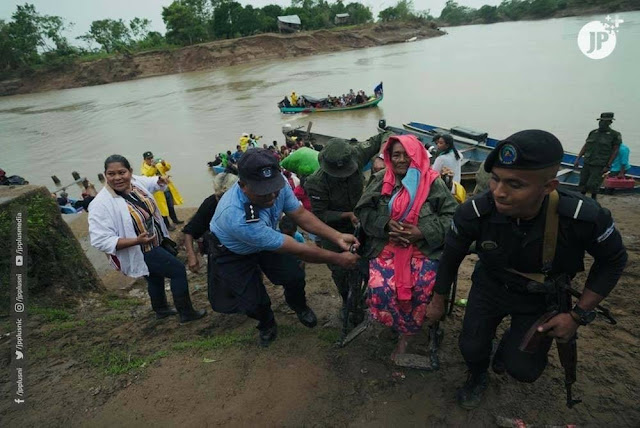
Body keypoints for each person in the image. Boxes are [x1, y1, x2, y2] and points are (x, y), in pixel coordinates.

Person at [426, 130, 627, 409]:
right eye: (496, 178)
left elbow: (613, 260)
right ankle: (477, 375)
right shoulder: (475, 212)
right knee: (471, 347)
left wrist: (577, 315)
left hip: (541, 296)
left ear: (548, 186)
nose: (499, 191)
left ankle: (510, 345)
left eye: (515, 184)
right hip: (491, 286)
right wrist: (437, 299)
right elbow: (451, 256)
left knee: (524, 370)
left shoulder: (583, 217)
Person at [208, 149, 360, 347]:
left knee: (294, 277)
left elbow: (300, 214)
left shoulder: (278, 183)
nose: (272, 195)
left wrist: (337, 236)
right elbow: (298, 249)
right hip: (233, 251)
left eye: (274, 187)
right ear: (242, 185)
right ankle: (267, 324)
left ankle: (299, 306)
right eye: (263, 190)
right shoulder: (237, 216)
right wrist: (338, 258)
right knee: (253, 301)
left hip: (267, 235)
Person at [355, 135, 458, 359]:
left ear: (416, 155)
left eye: (407, 155)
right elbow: (363, 211)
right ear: (389, 157)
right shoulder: (380, 179)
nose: (401, 160)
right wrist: (384, 224)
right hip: (386, 245)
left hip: (423, 248)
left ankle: (407, 335)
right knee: (381, 288)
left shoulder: (433, 182)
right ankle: (395, 322)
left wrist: (421, 232)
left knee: (420, 287)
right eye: (396, 155)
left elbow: (451, 216)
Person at [89, 155, 207, 323]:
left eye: (122, 172)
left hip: (156, 241)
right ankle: (186, 313)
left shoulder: (135, 184)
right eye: (111, 174)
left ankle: (161, 309)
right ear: (105, 175)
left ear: (130, 172)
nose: (117, 178)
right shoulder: (101, 204)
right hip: (141, 249)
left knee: (154, 276)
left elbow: (150, 182)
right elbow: (100, 240)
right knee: (178, 271)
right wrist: (136, 241)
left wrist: (159, 180)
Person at [305, 131, 392, 317]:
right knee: (340, 271)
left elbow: (386, 135)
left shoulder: (357, 153)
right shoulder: (315, 183)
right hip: (333, 231)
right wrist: (346, 215)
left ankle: (369, 296)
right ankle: (347, 301)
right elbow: (320, 215)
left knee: (370, 264)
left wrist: (381, 157)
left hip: (363, 223)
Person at [183, 173, 239, 274]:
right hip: (218, 252)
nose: (222, 202)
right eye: (219, 197)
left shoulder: (245, 202)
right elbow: (189, 231)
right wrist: (191, 256)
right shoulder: (210, 204)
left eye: (226, 197)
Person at [574, 112, 622, 200]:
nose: (602, 123)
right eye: (601, 121)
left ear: (610, 122)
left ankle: (593, 199)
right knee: (582, 183)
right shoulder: (593, 132)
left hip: (600, 164)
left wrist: (608, 165)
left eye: (605, 121)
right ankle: (581, 199)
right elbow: (585, 146)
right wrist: (578, 159)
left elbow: (615, 151)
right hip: (587, 162)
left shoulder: (614, 135)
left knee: (593, 185)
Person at [140, 151, 184, 231]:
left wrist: (164, 163)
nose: (151, 159)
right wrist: (153, 167)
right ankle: (167, 225)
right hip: (158, 192)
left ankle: (175, 220)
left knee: (170, 206)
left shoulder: (157, 164)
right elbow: (147, 175)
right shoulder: (144, 169)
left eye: (151, 157)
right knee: (163, 209)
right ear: (145, 160)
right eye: (148, 158)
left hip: (167, 189)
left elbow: (167, 168)